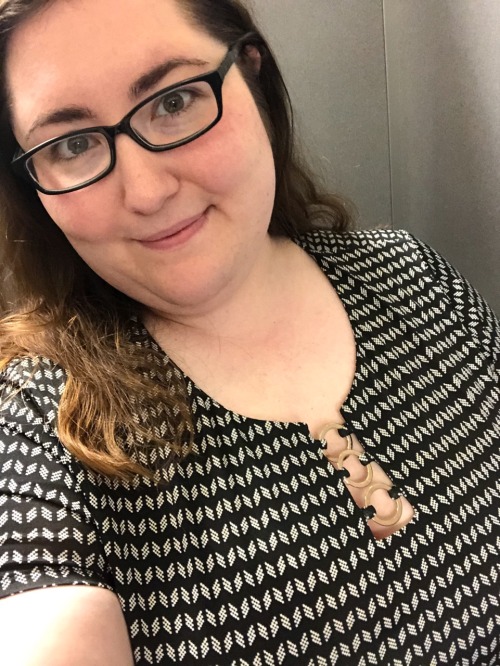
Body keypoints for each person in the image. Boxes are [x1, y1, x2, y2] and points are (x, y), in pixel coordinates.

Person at [0, 0, 498, 664]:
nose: (145, 191)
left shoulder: (414, 273)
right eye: (72, 144)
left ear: (254, 80)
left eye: (174, 101)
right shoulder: (43, 420)